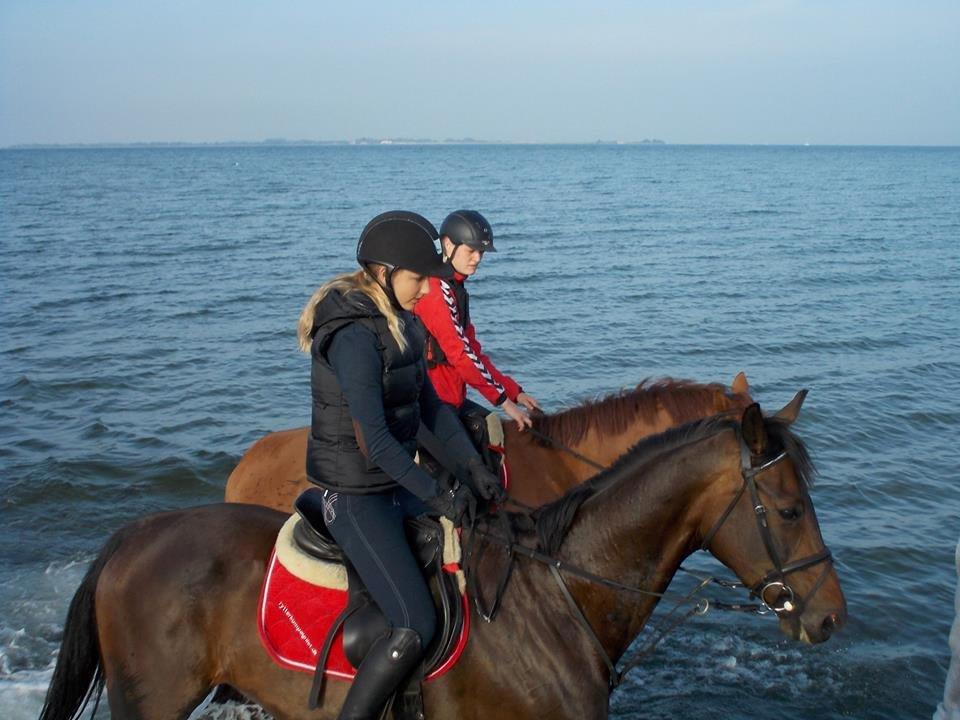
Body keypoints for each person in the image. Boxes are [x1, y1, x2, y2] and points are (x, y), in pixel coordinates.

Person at [297, 210, 502, 720]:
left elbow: (431, 407)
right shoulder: (353, 337)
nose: (426, 290)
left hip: (388, 483)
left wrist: (473, 470)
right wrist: (440, 495)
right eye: (417, 279)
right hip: (355, 494)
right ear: (385, 274)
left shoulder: (403, 320)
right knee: (416, 621)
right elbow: (379, 446)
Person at [412, 209, 541, 430]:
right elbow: (460, 355)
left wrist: (513, 391)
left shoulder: (455, 289)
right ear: (449, 245)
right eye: (472, 250)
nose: (478, 258)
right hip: (431, 403)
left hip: (452, 399)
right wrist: (503, 402)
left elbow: (473, 352)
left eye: (481, 252)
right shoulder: (434, 291)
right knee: (473, 465)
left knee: (495, 435)